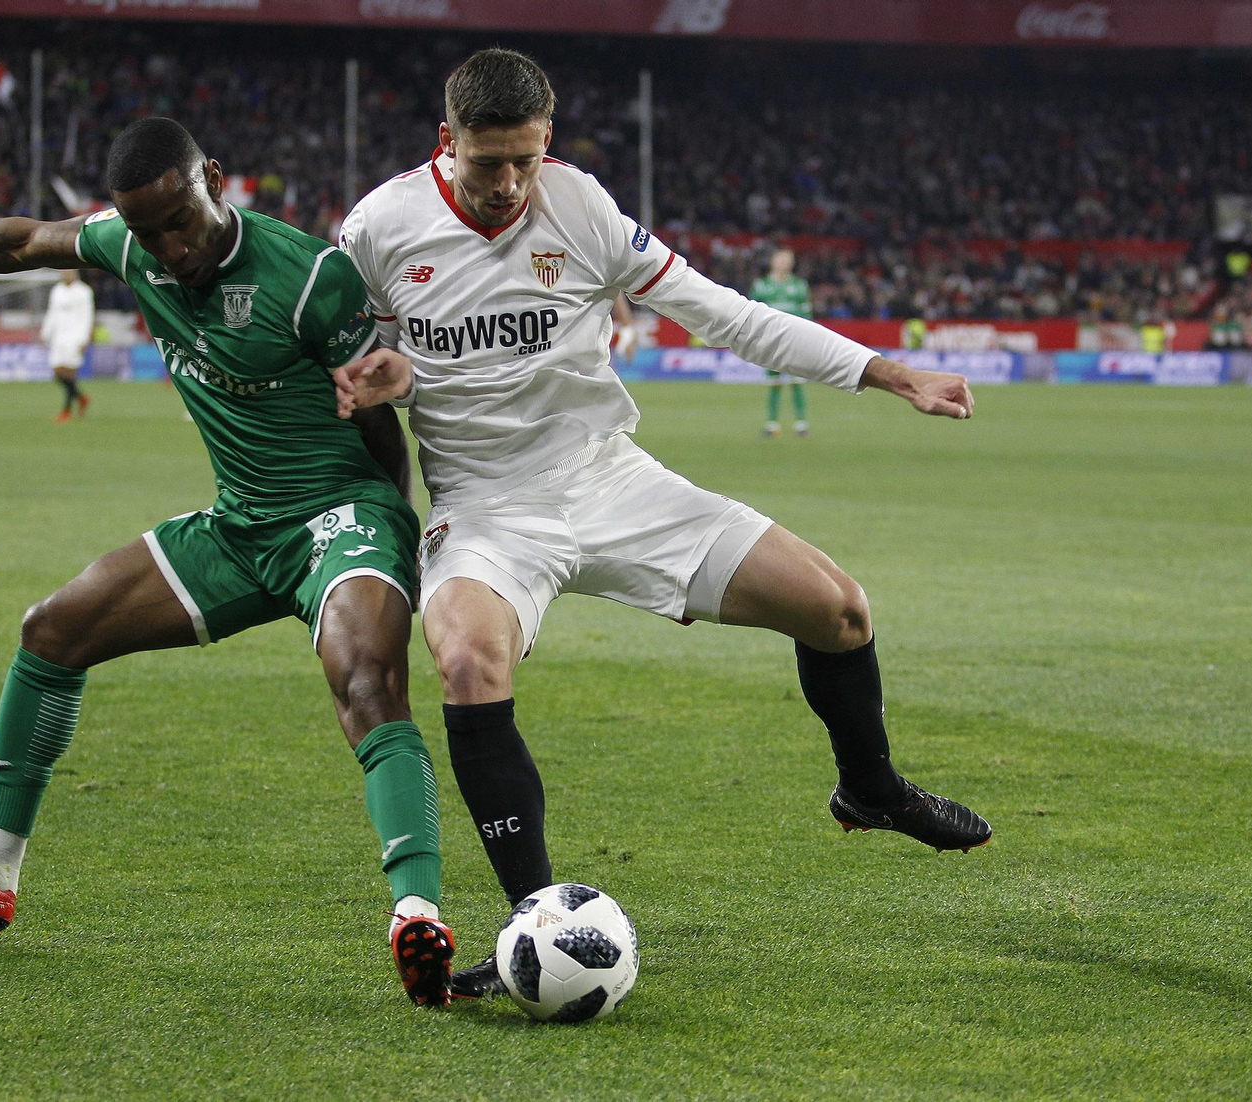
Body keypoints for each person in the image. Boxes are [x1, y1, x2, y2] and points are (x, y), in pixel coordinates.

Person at [334, 49, 992, 1001]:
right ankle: (535, 926)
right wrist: (384, 375)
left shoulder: (583, 207)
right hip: (483, 508)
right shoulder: (379, 228)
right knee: (471, 662)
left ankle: (873, 790)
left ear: (547, 141)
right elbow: (359, 360)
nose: (509, 184)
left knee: (839, 609)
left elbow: (722, 314)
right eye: (488, 164)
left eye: (526, 159)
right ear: (447, 143)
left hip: (609, 480)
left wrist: (891, 374)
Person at [0, 117, 457, 1007]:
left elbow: (380, 426)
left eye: (180, 220)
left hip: (338, 516)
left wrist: (390, 541)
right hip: (239, 527)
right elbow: (25, 240)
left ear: (214, 179)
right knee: (53, 630)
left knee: (366, 677)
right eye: (147, 232)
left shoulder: (311, 279)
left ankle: (415, 915)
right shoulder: (134, 246)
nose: (169, 248)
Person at [751, 247, 811, 437]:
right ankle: (772, 424)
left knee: (796, 381)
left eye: (788, 259)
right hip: (771, 341)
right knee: (774, 382)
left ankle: (801, 424)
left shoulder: (800, 286)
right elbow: (751, 313)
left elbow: (807, 315)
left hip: (794, 340)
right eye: (782, 259)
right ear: (773, 261)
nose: (785, 263)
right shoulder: (761, 286)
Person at [41, 268, 95, 422]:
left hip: (75, 337)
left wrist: (84, 339)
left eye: (68, 271)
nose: (65, 274)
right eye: (63, 271)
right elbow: (51, 313)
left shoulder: (84, 292)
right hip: (59, 337)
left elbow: (88, 316)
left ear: (75, 272)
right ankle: (82, 398)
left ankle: (66, 411)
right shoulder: (57, 291)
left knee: (69, 374)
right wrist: (46, 332)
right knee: (57, 372)